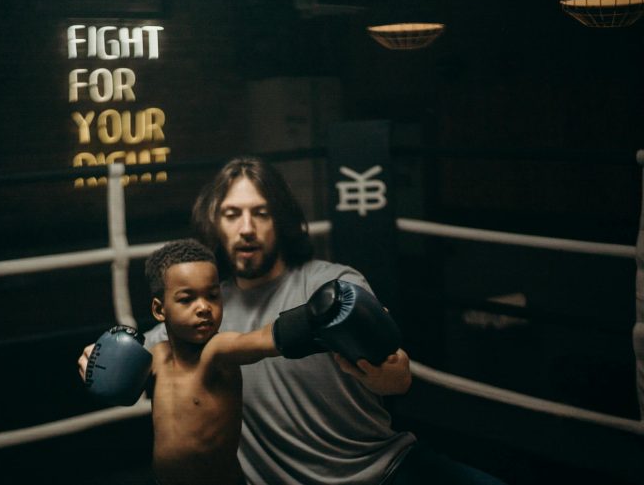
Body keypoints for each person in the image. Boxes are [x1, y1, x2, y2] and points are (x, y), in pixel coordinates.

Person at [79, 156, 506, 485]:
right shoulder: (200, 317)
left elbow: (399, 380)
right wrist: (94, 360)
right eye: (232, 215)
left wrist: (381, 369)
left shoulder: (333, 284)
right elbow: (133, 359)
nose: (246, 228)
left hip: (383, 470)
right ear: (214, 222)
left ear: (280, 220)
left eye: (260, 213)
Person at [132, 238, 280, 485]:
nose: (203, 307)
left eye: (212, 295)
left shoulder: (218, 351)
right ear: (160, 310)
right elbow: (117, 380)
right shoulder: (157, 356)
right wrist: (95, 358)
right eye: (187, 299)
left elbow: (262, 339)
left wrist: (314, 320)